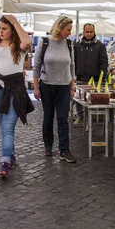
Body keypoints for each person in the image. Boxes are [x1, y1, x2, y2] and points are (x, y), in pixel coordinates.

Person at [0, 15, 34, 179]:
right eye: (0, 28)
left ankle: (4, 162)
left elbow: (28, 42)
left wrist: (16, 22)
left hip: (15, 90)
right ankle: (11, 156)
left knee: (8, 127)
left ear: (12, 30)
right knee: (4, 127)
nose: (1, 31)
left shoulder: (19, 46)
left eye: (5, 28)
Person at [33, 15, 76, 163]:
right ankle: (48, 145)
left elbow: (72, 66)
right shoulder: (44, 42)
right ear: (60, 28)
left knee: (63, 119)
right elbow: (36, 65)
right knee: (48, 117)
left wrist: (72, 87)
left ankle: (64, 150)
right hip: (47, 85)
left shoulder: (69, 44)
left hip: (64, 86)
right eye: (68, 29)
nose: (70, 32)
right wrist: (36, 87)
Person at [73, 23, 108, 124]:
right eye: (87, 32)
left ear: (94, 32)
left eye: (91, 32)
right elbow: (73, 61)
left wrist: (102, 74)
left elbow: (104, 61)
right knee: (79, 99)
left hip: (95, 78)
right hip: (80, 77)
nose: (89, 34)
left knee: (92, 100)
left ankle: (89, 119)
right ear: (83, 32)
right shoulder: (77, 45)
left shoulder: (100, 46)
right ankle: (80, 116)